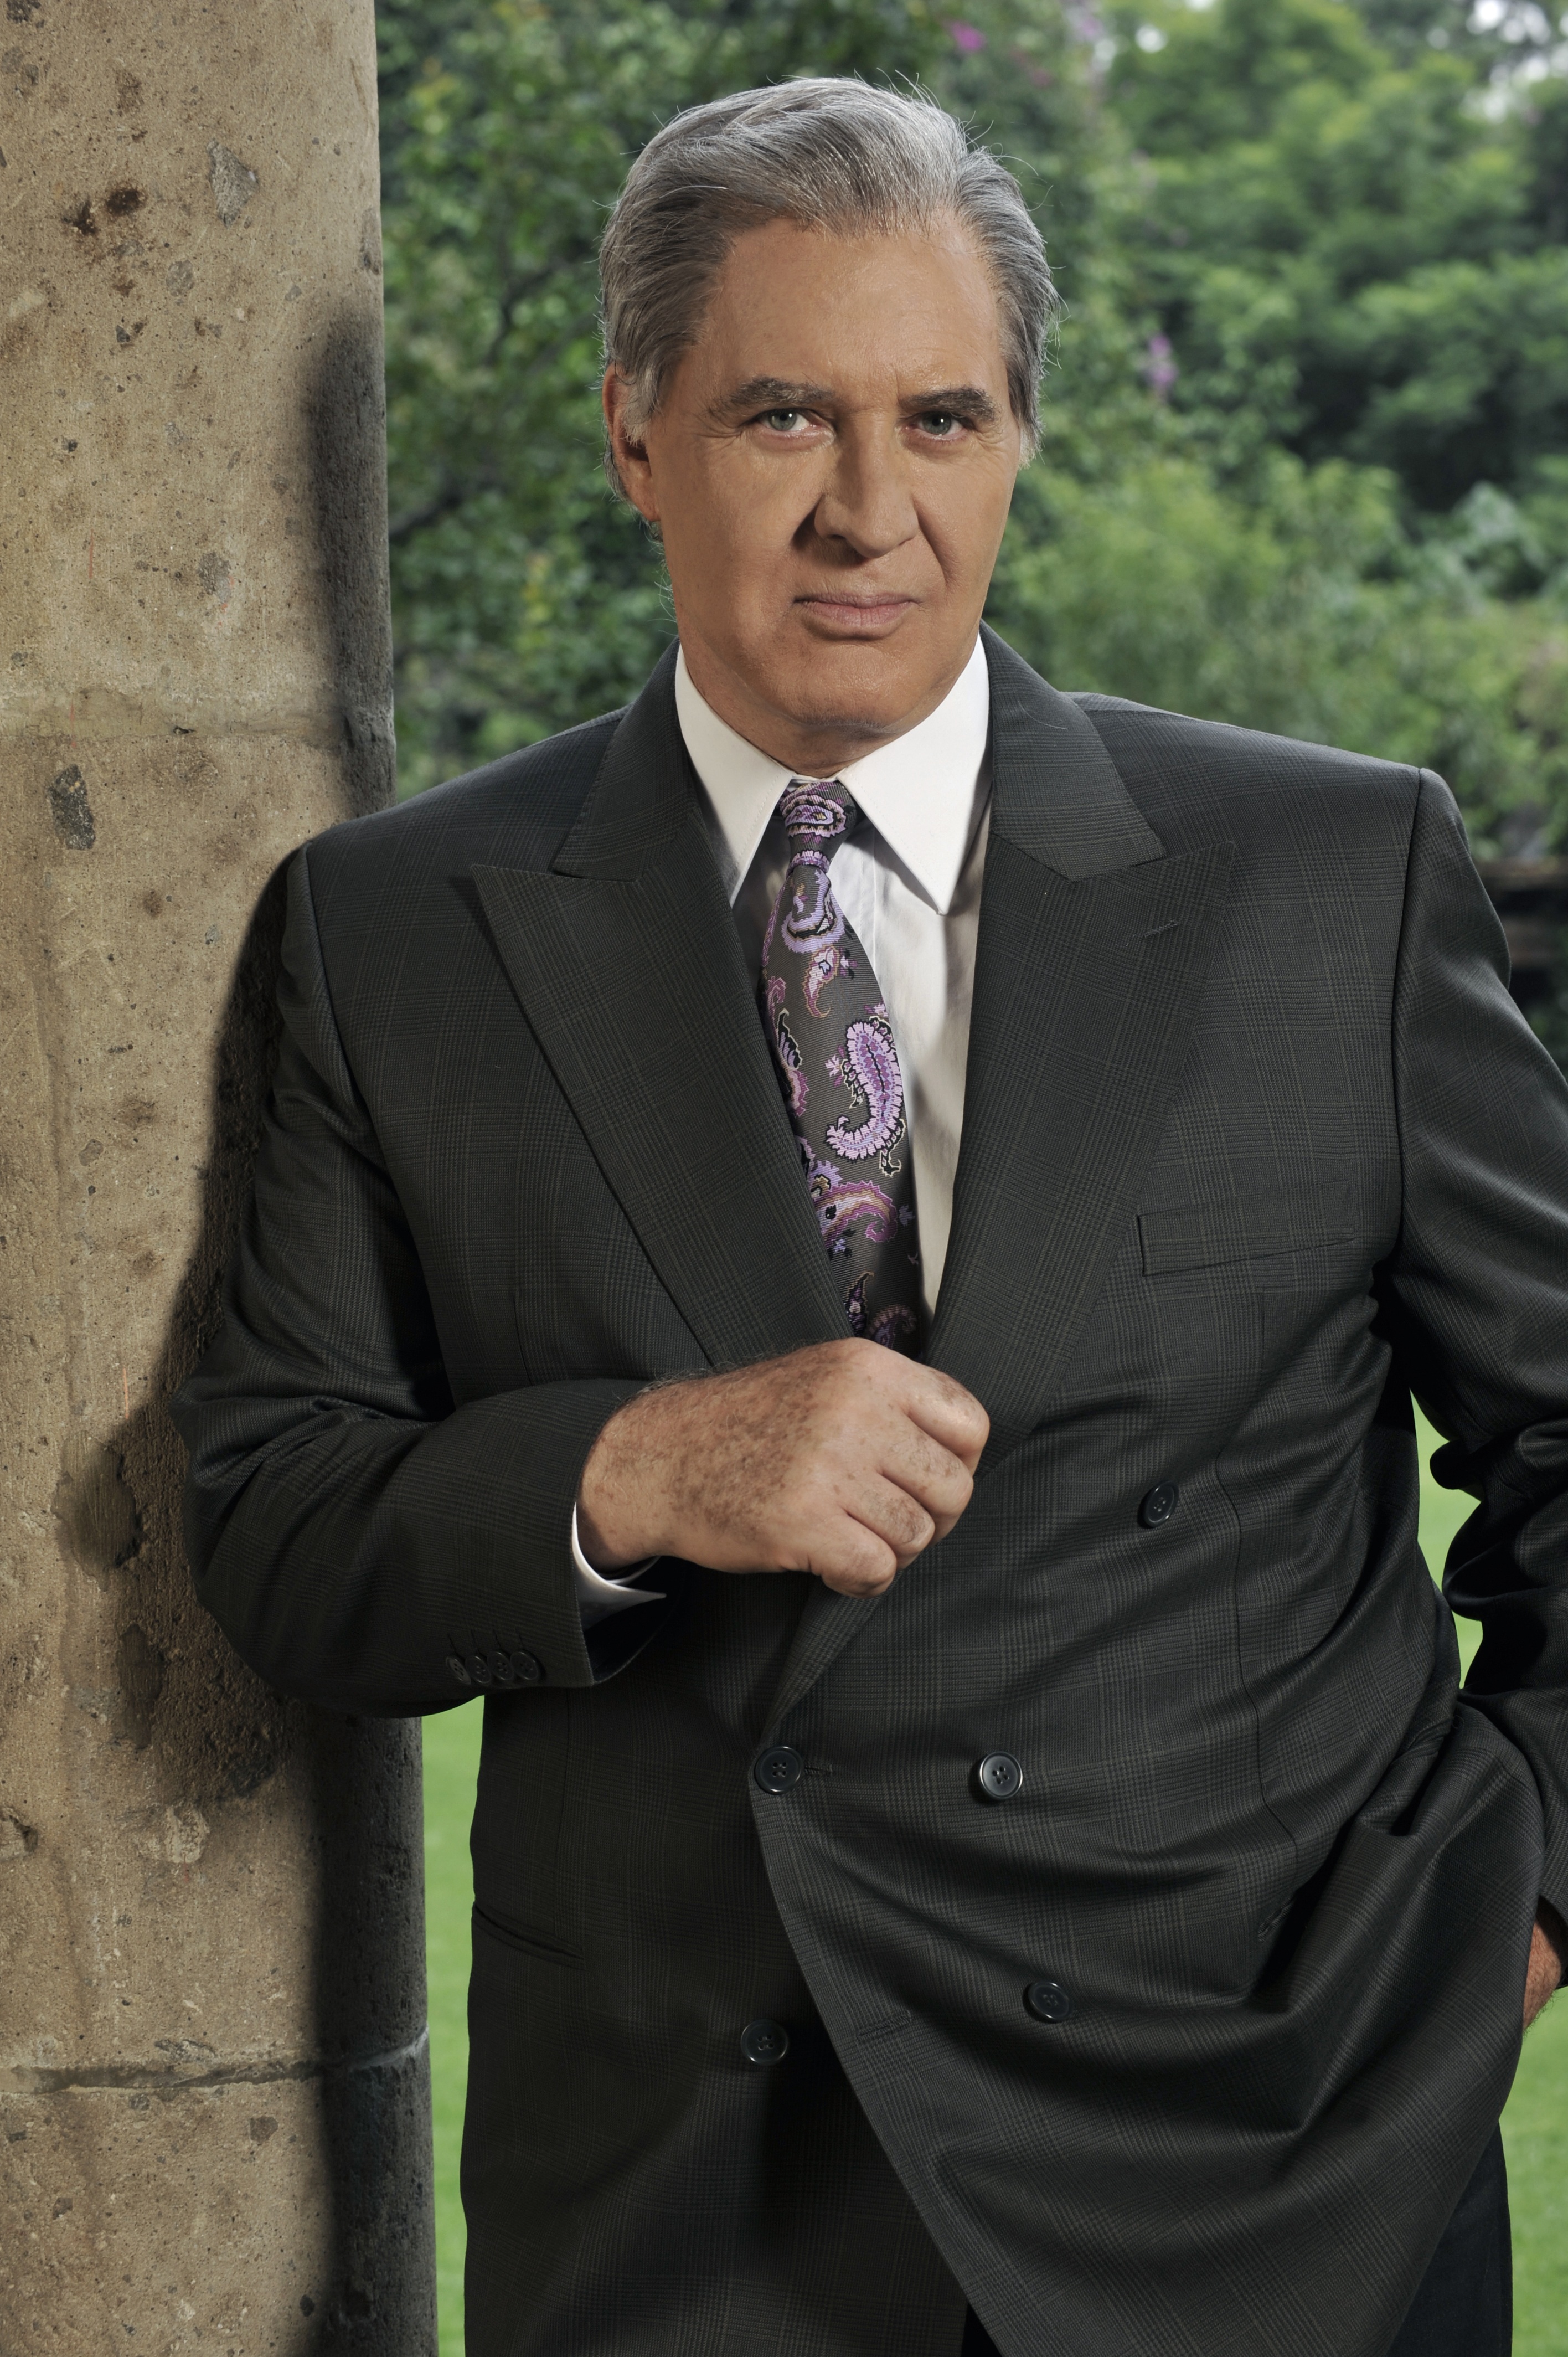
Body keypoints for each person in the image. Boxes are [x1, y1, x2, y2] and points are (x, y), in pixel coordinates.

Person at [173, 79, 1567, 2357]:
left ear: (1021, 438)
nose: (868, 508)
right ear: (636, 436)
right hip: (695, 2205)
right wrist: (637, 1469)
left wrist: (1513, 1913)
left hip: (1272, 2162)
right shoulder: (396, 929)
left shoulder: (1333, 878)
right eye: (781, 416)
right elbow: (274, 1516)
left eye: (941, 417)